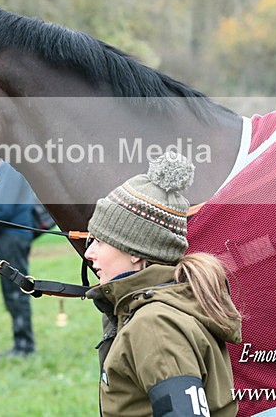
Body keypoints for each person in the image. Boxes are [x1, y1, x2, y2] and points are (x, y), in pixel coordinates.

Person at [83, 152, 242, 417]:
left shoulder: (155, 324)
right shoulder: (152, 308)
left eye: (100, 241)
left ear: (134, 250)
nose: (89, 253)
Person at [0, 162, 39, 357]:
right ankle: (21, 343)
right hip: (10, 235)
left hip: (11, 235)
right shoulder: (6, 167)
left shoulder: (9, 167)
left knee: (16, 291)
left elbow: (4, 206)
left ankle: (24, 346)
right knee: (12, 291)